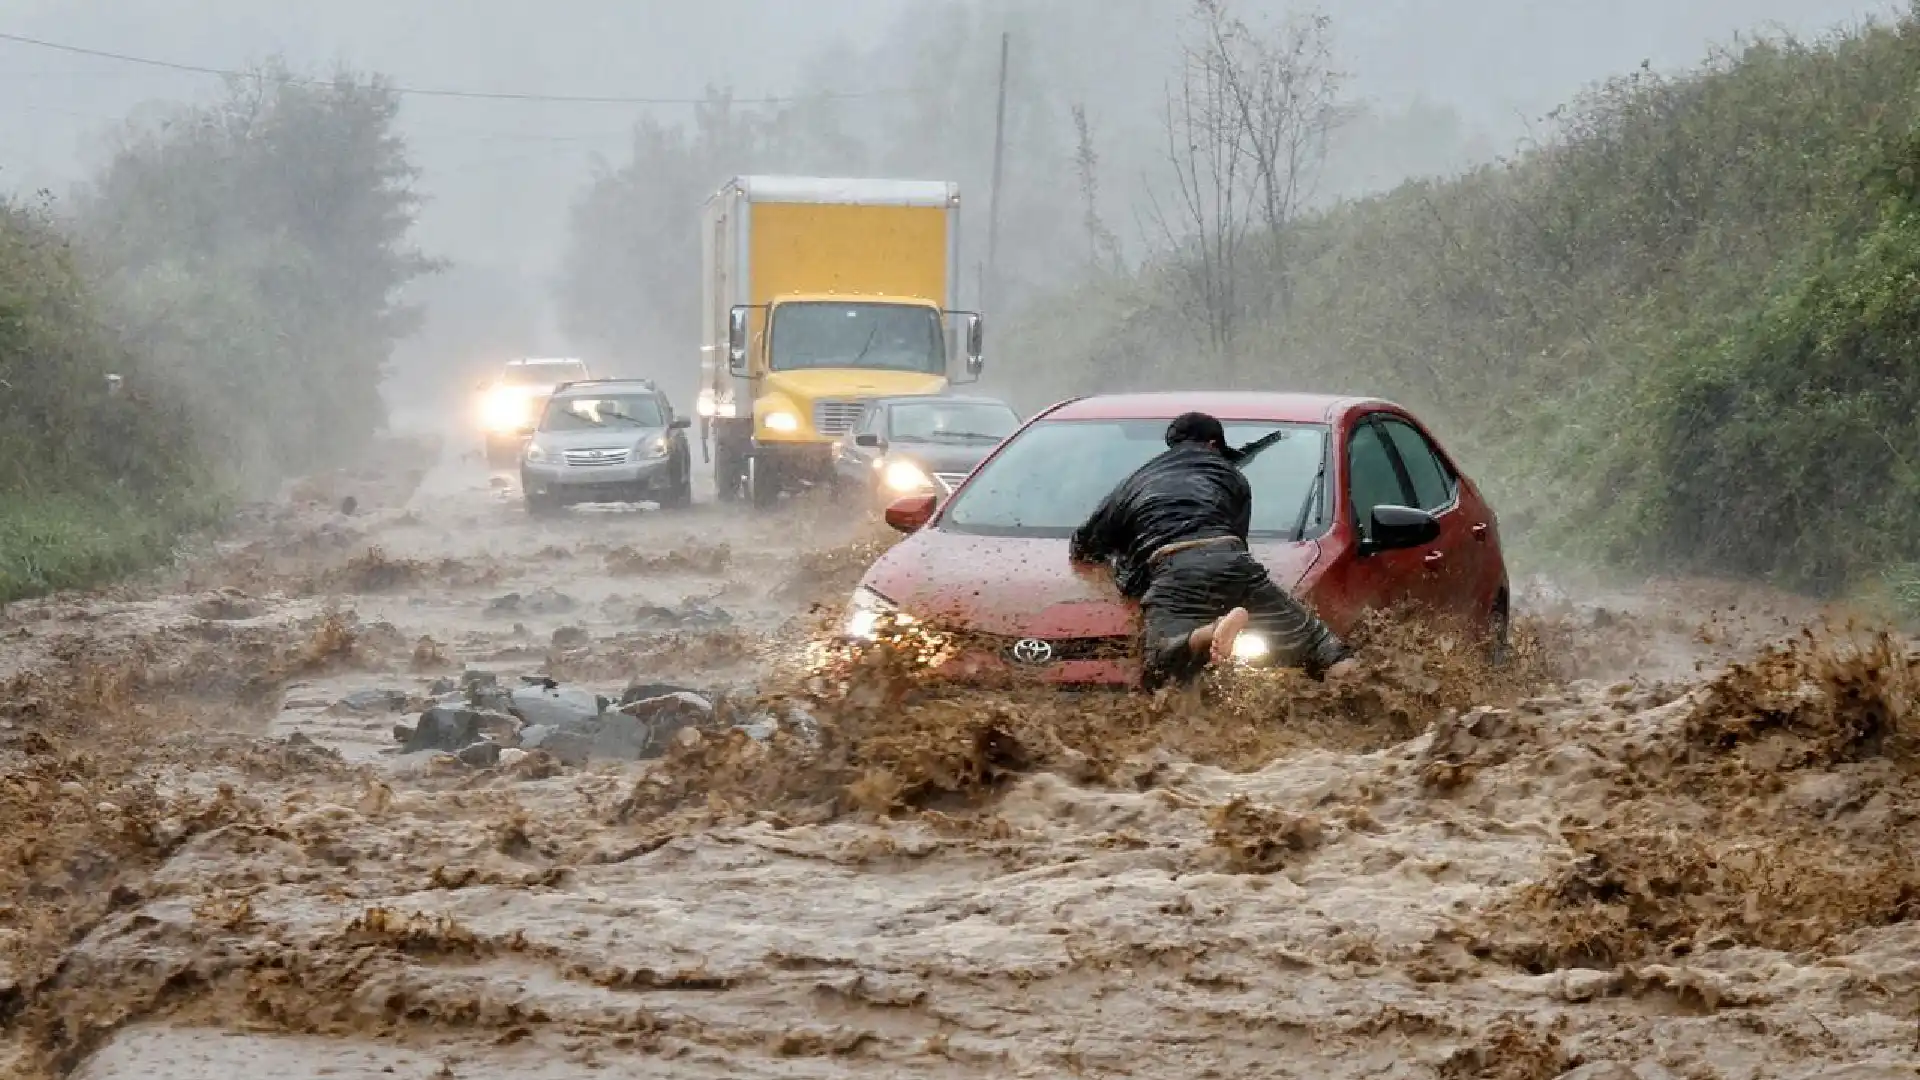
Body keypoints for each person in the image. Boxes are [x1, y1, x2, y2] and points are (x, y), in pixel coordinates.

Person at [1068, 411, 1359, 690]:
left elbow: (1084, 545)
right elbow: (1237, 540)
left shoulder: (1133, 484)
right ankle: (1362, 704)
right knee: (1322, 646)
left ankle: (1208, 634)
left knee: (1158, 662)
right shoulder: (1232, 476)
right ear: (1212, 444)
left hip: (1174, 566)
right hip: (1231, 558)